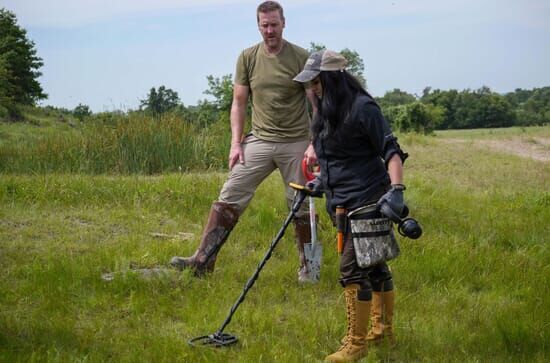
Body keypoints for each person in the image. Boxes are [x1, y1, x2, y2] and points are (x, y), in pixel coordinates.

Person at [170, 1, 318, 283]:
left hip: (296, 141)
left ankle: (310, 269)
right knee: (230, 194)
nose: (270, 30)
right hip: (259, 139)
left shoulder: (301, 57)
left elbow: (316, 104)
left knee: (300, 205)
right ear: (258, 26)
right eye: (265, 25)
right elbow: (238, 103)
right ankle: (202, 260)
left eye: (274, 24)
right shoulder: (248, 57)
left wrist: (316, 144)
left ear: (284, 23)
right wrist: (235, 144)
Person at [293, 50, 408, 362]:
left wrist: (397, 191)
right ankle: (382, 333)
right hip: (342, 201)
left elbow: (392, 152)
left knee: (351, 269)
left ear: (332, 79)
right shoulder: (326, 113)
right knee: (374, 265)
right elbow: (337, 158)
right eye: (309, 84)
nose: (311, 89)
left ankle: (355, 345)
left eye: (316, 82)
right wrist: (321, 183)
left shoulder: (362, 107)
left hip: (369, 198)